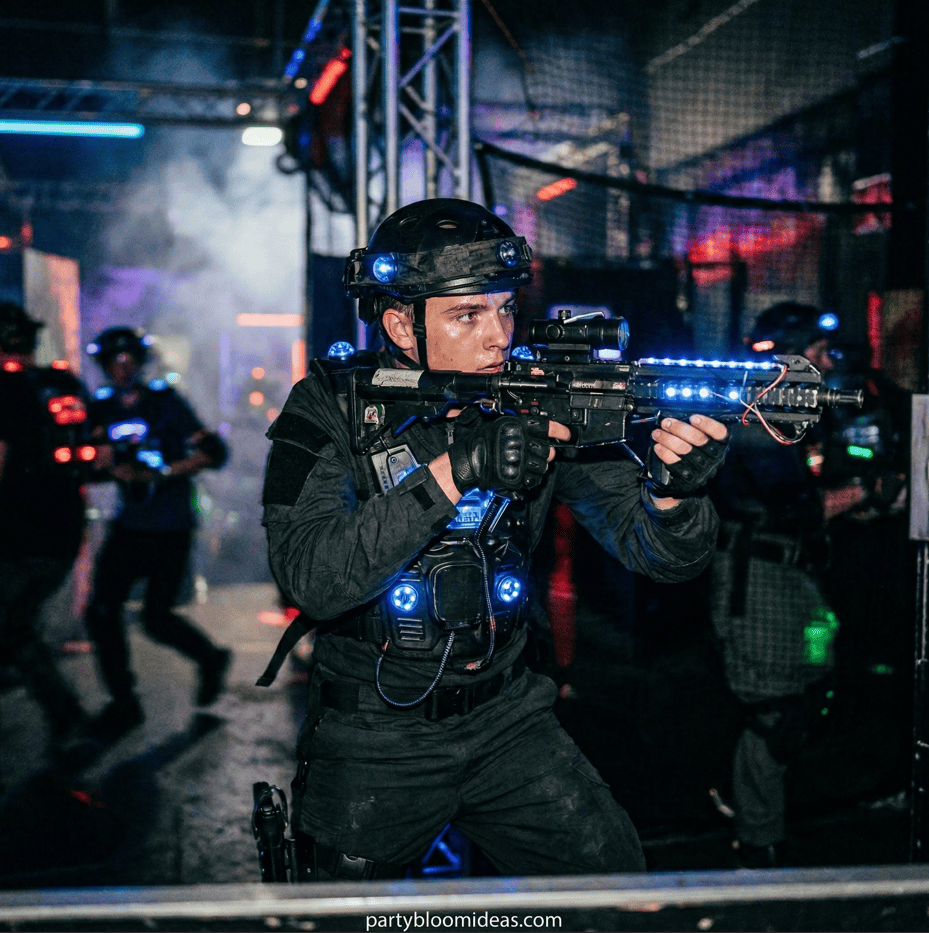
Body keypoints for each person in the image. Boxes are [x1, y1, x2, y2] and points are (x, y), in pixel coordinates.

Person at [259, 198, 729, 879]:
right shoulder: (333, 407)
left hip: (508, 716)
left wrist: (672, 494)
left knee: (610, 888)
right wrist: (457, 469)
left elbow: (661, 555)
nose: (497, 337)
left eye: (506, 309)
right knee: (349, 916)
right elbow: (313, 578)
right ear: (401, 325)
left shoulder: (533, 396)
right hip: (374, 731)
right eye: (467, 315)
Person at [709, 302, 863, 868]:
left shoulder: (794, 414)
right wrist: (870, 491)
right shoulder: (755, 418)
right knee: (773, 709)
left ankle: (748, 800)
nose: (829, 362)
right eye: (817, 353)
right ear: (791, 356)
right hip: (759, 581)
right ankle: (757, 842)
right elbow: (795, 505)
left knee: (810, 692)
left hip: (797, 582)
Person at [84, 327, 231, 736]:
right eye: (114, 361)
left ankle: (210, 658)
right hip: (131, 524)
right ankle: (123, 703)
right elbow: (93, 458)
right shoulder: (102, 408)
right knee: (102, 612)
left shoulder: (165, 402)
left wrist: (164, 472)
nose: (122, 368)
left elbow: (213, 453)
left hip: (170, 525)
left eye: (128, 359)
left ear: (139, 361)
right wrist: (111, 466)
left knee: (156, 617)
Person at [0, 301, 93, 758]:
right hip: (63, 526)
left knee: (11, 625)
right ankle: (64, 713)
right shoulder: (63, 383)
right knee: (14, 622)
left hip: (18, 530)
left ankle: (66, 715)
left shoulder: (4, 389)